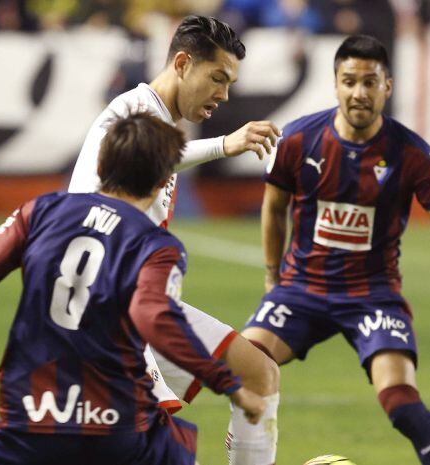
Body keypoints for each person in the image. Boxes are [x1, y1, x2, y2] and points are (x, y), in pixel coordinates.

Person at [0, 112, 266, 465]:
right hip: (120, 430)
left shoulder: (39, 213)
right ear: (165, 180)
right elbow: (156, 316)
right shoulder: (156, 246)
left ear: (99, 164)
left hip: (30, 421)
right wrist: (228, 383)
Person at [241, 35, 430, 465]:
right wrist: (273, 276)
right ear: (335, 83)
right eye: (349, 81)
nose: (359, 93)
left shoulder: (412, 154)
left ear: (388, 86)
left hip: (373, 295)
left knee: (402, 404)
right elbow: (274, 208)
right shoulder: (296, 140)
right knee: (241, 370)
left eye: (370, 82)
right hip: (300, 290)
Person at [69, 15, 280, 465]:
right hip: (116, 314)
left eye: (230, 83)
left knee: (259, 373)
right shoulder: (129, 116)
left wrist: (226, 144)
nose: (223, 94)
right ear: (183, 63)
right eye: (217, 78)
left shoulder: (152, 122)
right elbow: (85, 211)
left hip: (151, 308)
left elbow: (163, 156)